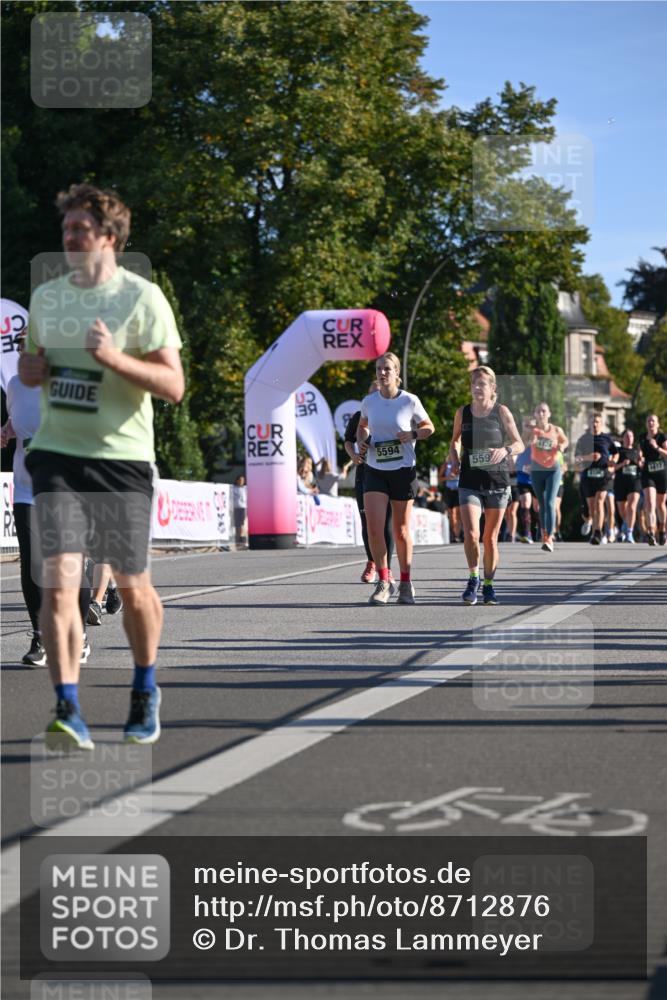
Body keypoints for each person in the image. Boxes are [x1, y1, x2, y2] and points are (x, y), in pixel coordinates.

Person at [19, 182, 184, 748]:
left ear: (109, 237)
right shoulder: (47, 298)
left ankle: (144, 688)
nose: (69, 236)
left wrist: (112, 358)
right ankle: (67, 707)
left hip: (121, 459)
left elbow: (174, 386)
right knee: (59, 587)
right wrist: (31, 372)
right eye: (65, 228)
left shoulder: (143, 299)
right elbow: (29, 367)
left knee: (135, 587)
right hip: (57, 456)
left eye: (80, 228)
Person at [2, 374, 92, 666]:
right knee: (33, 562)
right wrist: (6, 430)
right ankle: (41, 636)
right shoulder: (15, 385)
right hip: (27, 488)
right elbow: (19, 419)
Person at [356, 352, 434, 604]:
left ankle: (406, 581)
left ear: (397, 373)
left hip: (403, 470)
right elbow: (363, 425)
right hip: (375, 469)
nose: (382, 373)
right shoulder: (369, 401)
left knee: (400, 530)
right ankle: (383, 581)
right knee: (374, 529)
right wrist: (362, 440)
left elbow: (429, 427)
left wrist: (412, 434)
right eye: (379, 369)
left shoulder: (409, 401)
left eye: (388, 369)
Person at [448, 366, 523, 605]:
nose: (477, 387)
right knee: (471, 534)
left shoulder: (501, 412)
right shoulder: (463, 413)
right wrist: (454, 457)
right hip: (469, 481)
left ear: (492, 388)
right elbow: (455, 441)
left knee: (490, 538)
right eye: (474, 383)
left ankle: (489, 585)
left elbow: (519, 443)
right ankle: (473, 578)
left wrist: (505, 450)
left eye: (482, 384)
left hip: (497, 483)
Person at [344, 381, 395, 585]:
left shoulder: (393, 415)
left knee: (387, 524)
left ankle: (388, 568)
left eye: (379, 392)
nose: (376, 397)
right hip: (365, 473)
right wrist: (354, 456)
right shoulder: (359, 417)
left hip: (389, 472)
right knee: (367, 522)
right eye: (372, 393)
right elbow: (348, 441)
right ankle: (372, 562)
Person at [574, 412, 619, 546]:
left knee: (600, 502)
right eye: (592, 422)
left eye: (597, 421)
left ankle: (598, 533)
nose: (594, 424)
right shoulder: (583, 439)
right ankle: (595, 530)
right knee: (592, 507)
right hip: (588, 477)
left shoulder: (607, 438)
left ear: (601, 423)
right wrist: (589, 457)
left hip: (603, 476)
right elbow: (577, 458)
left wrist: (612, 464)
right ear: (588, 423)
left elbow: (615, 453)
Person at [529, 402, 568, 552]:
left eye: (544, 411)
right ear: (535, 415)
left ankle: (549, 537)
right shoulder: (533, 431)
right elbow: (522, 441)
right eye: (538, 411)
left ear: (549, 414)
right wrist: (529, 440)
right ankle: (544, 533)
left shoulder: (556, 430)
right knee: (541, 505)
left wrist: (562, 446)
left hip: (553, 469)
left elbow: (565, 441)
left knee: (551, 502)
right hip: (536, 470)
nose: (541, 414)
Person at [638, 413, 667, 546]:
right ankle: (650, 532)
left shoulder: (662, 437)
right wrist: (640, 459)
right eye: (649, 421)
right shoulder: (642, 437)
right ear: (646, 424)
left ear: (657, 424)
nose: (651, 423)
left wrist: (657, 447)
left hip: (661, 474)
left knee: (660, 504)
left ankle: (662, 530)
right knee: (650, 502)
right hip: (648, 474)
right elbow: (641, 453)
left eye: (653, 421)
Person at [612, 428, 641, 543]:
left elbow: (642, 465)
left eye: (631, 436)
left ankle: (629, 532)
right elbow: (612, 468)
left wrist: (640, 462)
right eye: (627, 436)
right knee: (622, 510)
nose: (629, 439)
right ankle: (625, 523)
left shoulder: (636, 452)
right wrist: (622, 464)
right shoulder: (618, 451)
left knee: (632, 506)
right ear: (622, 438)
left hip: (634, 481)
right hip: (620, 482)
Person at [439, 455, 461, 542]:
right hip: (449, 491)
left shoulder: (461, 465)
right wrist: (447, 477)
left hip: (458, 490)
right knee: (452, 514)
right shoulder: (445, 465)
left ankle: (457, 534)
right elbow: (439, 479)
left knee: (458, 513)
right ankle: (454, 533)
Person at [232, 474, 248, 547]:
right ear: (237, 480)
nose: (242, 481)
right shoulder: (233, 488)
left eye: (243, 480)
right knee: (237, 525)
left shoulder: (245, 488)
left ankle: (243, 539)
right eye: (240, 480)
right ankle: (238, 539)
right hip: (235, 508)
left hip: (243, 508)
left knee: (243, 524)